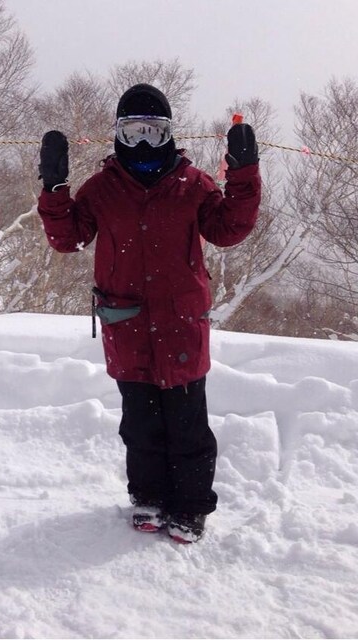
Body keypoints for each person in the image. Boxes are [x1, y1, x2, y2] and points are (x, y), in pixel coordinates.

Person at [37, 83, 261, 543]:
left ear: (169, 134)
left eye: (153, 132)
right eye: (133, 131)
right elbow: (68, 238)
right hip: (128, 325)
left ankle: (190, 508)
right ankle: (149, 498)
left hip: (181, 327)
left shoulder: (192, 184)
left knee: (188, 427)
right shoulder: (102, 188)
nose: (143, 143)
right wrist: (54, 189)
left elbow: (228, 230)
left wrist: (243, 176)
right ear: (118, 133)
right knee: (139, 426)